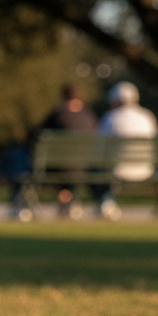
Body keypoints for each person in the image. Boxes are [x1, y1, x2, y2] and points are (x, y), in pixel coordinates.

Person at [97, 81, 158, 218]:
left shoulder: (110, 118)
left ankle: (107, 202)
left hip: (118, 168)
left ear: (117, 101)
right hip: (145, 168)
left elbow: (100, 147)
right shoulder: (147, 117)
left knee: (97, 167)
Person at [40, 85, 97, 218]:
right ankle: (70, 201)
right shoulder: (90, 117)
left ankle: (65, 201)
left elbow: (38, 137)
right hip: (84, 167)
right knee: (71, 168)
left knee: (59, 167)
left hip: (58, 167)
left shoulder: (56, 116)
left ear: (63, 98)